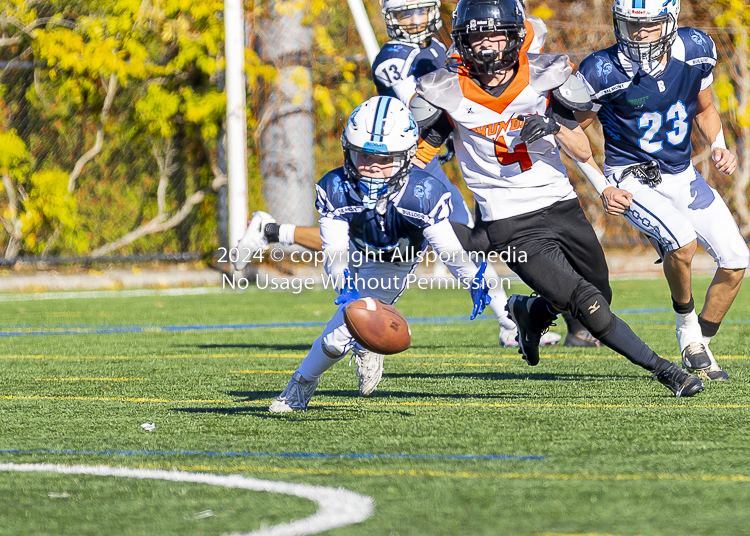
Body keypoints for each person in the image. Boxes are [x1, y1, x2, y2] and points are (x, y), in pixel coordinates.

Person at [410, 0, 704, 397]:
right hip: (509, 221)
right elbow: (415, 160)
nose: (488, 46)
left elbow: (580, 145)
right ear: (462, 41)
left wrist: (554, 129)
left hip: (561, 203)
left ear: (517, 37)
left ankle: (530, 313)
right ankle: (666, 371)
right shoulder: (443, 90)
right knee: (588, 305)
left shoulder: (545, 77)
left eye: (496, 35)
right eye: (478, 36)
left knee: (600, 291)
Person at [236, 0, 562, 349]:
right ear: (392, 19)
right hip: (401, 162)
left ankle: (272, 230)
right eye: (405, 13)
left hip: (424, 158)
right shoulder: (393, 55)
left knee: (394, 243)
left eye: (419, 11)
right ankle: (508, 322)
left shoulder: (438, 45)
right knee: (405, 243)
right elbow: (418, 102)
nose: (414, 20)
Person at [268, 96, 488, 412]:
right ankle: (323, 372)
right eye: (364, 156)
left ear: (407, 157)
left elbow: (447, 247)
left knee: (338, 336)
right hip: (354, 250)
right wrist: (343, 285)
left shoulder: (422, 192)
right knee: (349, 316)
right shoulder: (337, 186)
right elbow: (334, 247)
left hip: (390, 264)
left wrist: (472, 279)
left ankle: (301, 383)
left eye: (385, 160)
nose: (373, 166)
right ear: (349, 152)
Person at [574, 0, 748, 381]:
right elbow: (570, 130)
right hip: (631, 176)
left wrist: (717, 143)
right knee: (682, 242)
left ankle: (699, 342)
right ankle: (687, 327)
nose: (639, 33)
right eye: (630, 24)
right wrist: (601, 184)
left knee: (736, 261)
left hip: (681, 173)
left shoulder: (697, 49)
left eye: (650, 25)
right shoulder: (602, 69)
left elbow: (704, 108)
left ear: (669, 21)